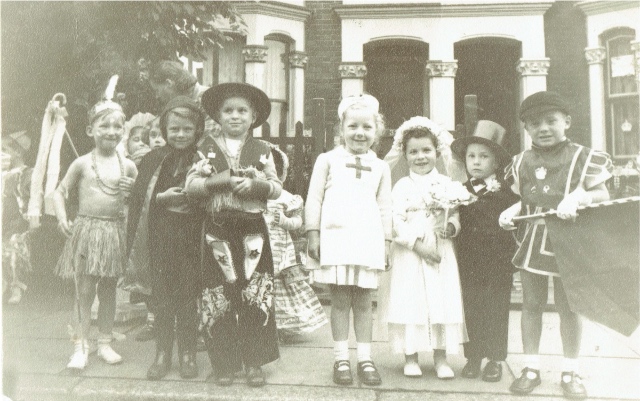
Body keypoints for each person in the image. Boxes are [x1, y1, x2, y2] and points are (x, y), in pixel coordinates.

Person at [499, 91, 612, 399]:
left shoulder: (584, 157)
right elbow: (524, 198)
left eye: (551, 121)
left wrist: (581, 196)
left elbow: (603, 195)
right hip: (533, 238)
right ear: (526, 128)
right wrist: (514, 209)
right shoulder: (520, 161)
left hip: (571, 240)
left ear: (567, 122)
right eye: (535, 123)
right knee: (531, 304)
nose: (543, 128)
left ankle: (570, 371)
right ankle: (531, 367)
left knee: (569, 307)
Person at [184, 82, 281, 387]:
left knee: (255, 292)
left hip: (252, 227)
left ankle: (254, 362)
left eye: (242, 111)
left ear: (253, 117)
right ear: (217, 115)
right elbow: (191, 187)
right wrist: (218, 182)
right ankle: (224, 363)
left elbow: (276, 188)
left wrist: (257, 186)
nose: (235, 116)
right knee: (219, 295)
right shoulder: (205, 149)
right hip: (218, 227)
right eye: (228, 110)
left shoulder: (263, 151)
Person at [305, 94, 392, 386]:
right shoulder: (327, 160)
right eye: (352, 126)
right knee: (340, 300)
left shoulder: (381, 167)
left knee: (365, 301)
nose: (359, 133)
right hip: (337, 239)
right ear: (340, 129)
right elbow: (314, 198)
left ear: (376, 132)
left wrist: (387, 242)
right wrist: (313, 233)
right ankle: (341, 357)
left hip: (367, 241)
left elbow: (385, 206)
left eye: (367, 127)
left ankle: (365, 359)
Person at [52, 88, 137, 370]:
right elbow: (59, 192)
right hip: (87, 232)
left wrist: (131, 192)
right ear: (90, 130)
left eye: (117, 126)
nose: (111, 131)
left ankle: (105, 343)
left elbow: (135, 205)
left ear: (124, 131)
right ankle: (80, 345)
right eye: (104, 125)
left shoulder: (129, 167)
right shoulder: (81, 163)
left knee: (109, 291)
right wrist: (63, 218)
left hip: (113, 233)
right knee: (84, 290)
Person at [126, 96, 204, 380]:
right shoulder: (153, 159)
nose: (180, 135)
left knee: (186, 298)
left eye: (187, 129)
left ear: (197, 130)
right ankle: (162, 353)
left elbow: (213, 195)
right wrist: (161, 197)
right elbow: (138, 199)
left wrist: (195, 197)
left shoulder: (203, 158)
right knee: (161, 299)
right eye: (174, 129)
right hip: (159, 239)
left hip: (191, 240)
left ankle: (187, 353)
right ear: (164, 130)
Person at [383, 116, 467, 380]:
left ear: (437, 151)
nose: (421, 157)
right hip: (411, 250)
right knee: (411, 302)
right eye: (414, 152)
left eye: (426, 150)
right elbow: (395, 221)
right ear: (405, 155)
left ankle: (441, 358)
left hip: (440, 248)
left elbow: (455, 213)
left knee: (441, 301)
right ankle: (411, 356)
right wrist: (417, 245)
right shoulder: (401, 186)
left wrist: (451, 227)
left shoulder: (446, 183)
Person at [451, 120, 518, 382]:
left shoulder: (507, 193)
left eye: (483, 156)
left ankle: (495, 359)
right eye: (471, 156)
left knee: (496, 307)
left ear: (497, 162)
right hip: (469, 259)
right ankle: (473, 357)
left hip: (498, 260)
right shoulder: (460, 192)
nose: (476, 162)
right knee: (471, 305)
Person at [265, 145, 328, 341]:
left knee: (281, 287)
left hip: (280, 249)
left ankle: (283, 326)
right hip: (259, 247)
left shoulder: (286, 198)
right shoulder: (253, 196)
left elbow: (298, 223)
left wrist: (284, 221)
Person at [149, 60, 217, 149]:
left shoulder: (208, 99)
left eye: (157, 90)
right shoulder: (178, 104)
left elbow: (208, 143)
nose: (157, 96)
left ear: (169, 84)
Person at [2, 130, 33, 304]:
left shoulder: (25, 173)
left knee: (14, 251)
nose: (1, 153)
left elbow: (26, 196)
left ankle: (16, 286)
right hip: (3, 217)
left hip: (17, 219)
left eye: (5, 149)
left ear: (18, 152)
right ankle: (4, 282)